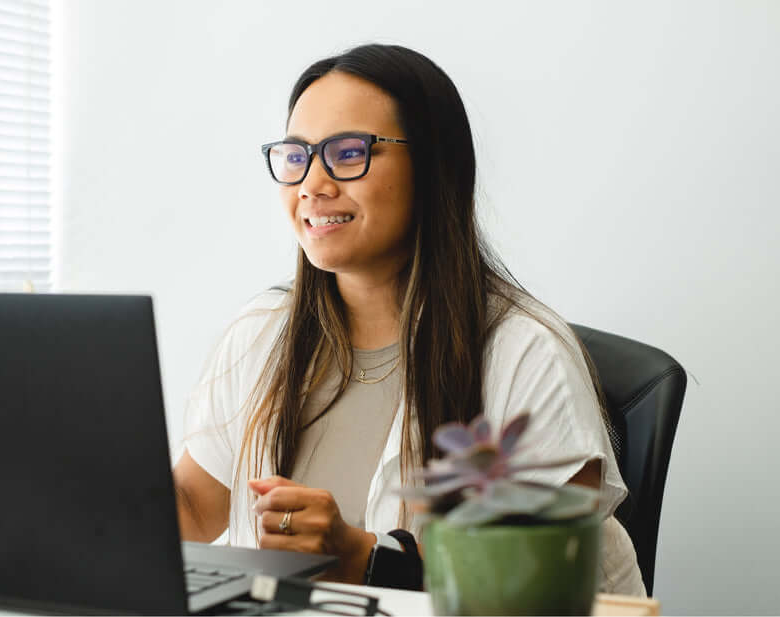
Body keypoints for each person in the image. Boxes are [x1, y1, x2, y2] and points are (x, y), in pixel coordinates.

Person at [174, 43, 646, 596]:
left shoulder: (526, 352)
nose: (313, 185)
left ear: (432, 166)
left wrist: (362, 557)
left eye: (348, 153)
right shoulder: (261, 334)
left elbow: (539, 578)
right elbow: (193, 509)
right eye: (297, 156)